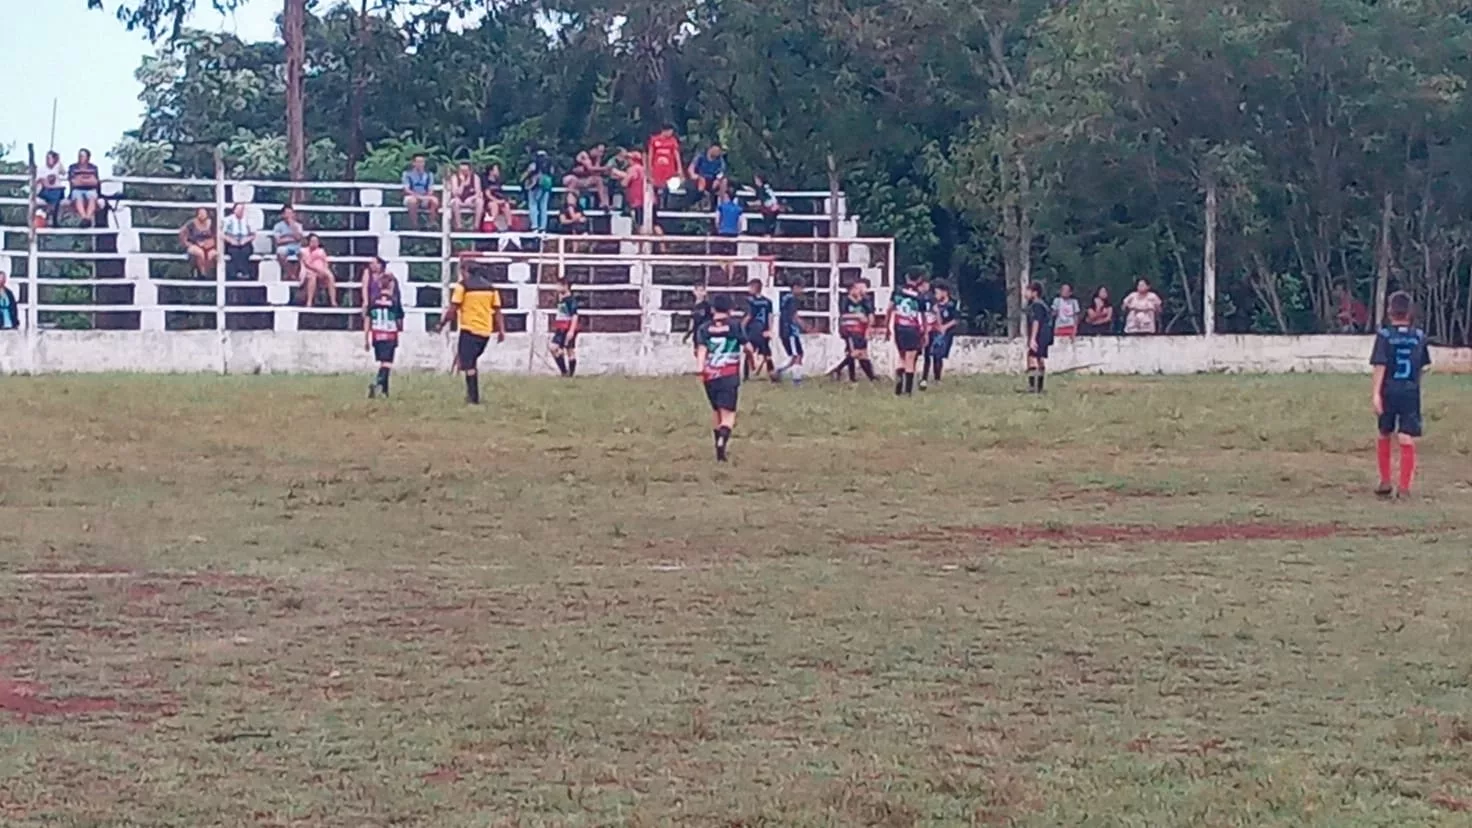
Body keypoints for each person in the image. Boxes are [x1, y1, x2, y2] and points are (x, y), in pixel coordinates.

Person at [1370, 291, 1432, 497]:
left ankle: (1385, 481)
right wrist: (1415, 387)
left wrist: (1376, 394)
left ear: (1390, 311)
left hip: (1389, 389)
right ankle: (1404, 487)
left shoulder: (1384, 336)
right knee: (1406, 436)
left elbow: (1380, 365)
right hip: (1410, 391)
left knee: (1384, 432)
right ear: (1409, 312)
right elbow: (1423, 366)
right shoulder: (1419, 336)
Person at [436, 257, 505, 404]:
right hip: (485, 331)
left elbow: (453, 309)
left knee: (468, 364)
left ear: (465, 271)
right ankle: (472, 396)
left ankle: (473, 397)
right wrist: (501, 330)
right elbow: (497, 311)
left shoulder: (463, 287)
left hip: (469, 329)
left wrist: (442, 323)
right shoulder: (491, 288)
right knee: (469, 362)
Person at [695, 293, 745, 462]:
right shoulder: (735, 326)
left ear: (712, 309)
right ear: (730, 310)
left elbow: (702, 350)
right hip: (728, 374)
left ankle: (719, 449)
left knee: (717, 411)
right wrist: (753, 360)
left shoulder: (704, 328)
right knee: (728, 415)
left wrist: (700, 370)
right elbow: (747, 346)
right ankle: (722, 440)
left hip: (710, 376)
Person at [362, 257, 403, 398]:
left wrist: (366, 338)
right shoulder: (393, 301)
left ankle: (385, 392)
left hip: (376, 334)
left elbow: (368, 318)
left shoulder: (374, 300)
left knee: (383, 362)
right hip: (389, 334)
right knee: (387, 363)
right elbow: (399, 319)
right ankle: (377, 383)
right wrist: (399, 328)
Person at [888, 267, 927, 396]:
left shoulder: (897, 291)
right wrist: (925, 332)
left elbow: (889, 309)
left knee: (901, 357)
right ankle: (908, 390)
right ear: (919, 279)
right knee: (910, 359)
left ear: (907, 277)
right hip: (912, 328)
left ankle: (898, 388)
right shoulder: (920, 296)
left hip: (899, 327)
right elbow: (923, 317)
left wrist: (887, 326)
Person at [830, 279, 877, 382]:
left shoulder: (866, 300)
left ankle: (869, 377)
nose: (860, 290)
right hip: (850, 329)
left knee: (861, 354)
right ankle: (844, 372)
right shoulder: (845, 300)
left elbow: (870, 315)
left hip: (861, 329)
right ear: (851, 290)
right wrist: (857, 316)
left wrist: (869, 327)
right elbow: (843, 315)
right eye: (857, 288)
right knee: (856, 352)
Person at [924, 282, 960, 387]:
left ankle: (937, 378)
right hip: (933, 330)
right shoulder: (933, 303)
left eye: (937, 293)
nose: (936, 295)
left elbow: (956, 319)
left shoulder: (953, 304)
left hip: (945, 332)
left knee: (938, 355)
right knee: (928, 354)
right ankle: (924, 378)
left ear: (945, 292)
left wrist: (945, 327)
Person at [774, 278, 808, 385]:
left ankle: (779, 371)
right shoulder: (792, 299)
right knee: (797, 355)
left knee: (798, 354)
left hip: (786, 331)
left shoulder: (785, 298)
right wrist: (805, 326)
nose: (802, 291)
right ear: (795, 287)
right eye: (801, 288)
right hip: (790, 332)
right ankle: (796, 379)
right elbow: (794, 316)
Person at [742, 278, 776, 381]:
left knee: (749, 351)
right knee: (766, 353)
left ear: (755, 288)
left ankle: (746, 375)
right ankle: (772, 374)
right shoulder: (768, 301)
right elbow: (770, 316)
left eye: (750, 287)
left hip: (753, 329)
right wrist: (770, 330)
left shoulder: (750, 301)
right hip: (764, 330)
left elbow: (749, 315)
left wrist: (742, 326)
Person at [1025, 281, 1053, 393]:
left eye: (1028, 291)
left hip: (1040, 335)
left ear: (1035, 293)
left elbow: (1036, 322)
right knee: (1039, 358)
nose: (1025, 293)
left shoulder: (1036, 305)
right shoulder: (1043, 305)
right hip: (1045, 335)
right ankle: (1039, 387)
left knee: (1032, 357)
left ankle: (1034, 386)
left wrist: (1032, 339)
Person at [647, 125, 683, 209]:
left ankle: (666, 205)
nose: (671, 133)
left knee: (667, 186)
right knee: (655, 186)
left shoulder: (673, 141)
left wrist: (679, 168)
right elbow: (650, 154)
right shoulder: (654, 140)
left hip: (669, 168)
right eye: (670, 131)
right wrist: (649, 167)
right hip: (657, 168)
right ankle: (656, 205)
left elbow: (676, 155)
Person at [550, 278, 580, 377]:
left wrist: (571, 330)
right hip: (561, 327)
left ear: (565, 286)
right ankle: (564, 371)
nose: (556, 288)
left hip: (567, 327)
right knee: (557, 348)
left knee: (569, 349)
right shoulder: (561, 299)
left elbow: (575, 315)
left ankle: (569, 374)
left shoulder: (571, 300)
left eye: (559, 285)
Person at [610, 151, 648, 229]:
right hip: (645, 201)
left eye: (628, 159)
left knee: (638, 225)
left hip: (636, 202)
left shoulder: (633, 169)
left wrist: (618, 176)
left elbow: (624, 183)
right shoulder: (643, 169)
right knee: (649, 224)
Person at [401, 154, 439, 230]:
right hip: (411, 196)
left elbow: (430, 189)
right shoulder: (407, 174)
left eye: (422, 162)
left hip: (425, 196)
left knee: (435, 200)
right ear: (413, 163)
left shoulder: (429, 174)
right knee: (412, 201)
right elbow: (407, 189)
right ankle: (414, 225)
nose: (420, 164)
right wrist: (417, 196)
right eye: (418, 162)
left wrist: (426, 196)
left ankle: (431, 223)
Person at [300, 234, 338, 308]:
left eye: (316, 241)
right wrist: (317, 270)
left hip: (322, 270)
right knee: (312, 277)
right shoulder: (304, 251)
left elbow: (325, 262)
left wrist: (324, 270)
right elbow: (307, 263)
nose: (314, 243)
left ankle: (333, 301)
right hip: (310, 270)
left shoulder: (321, 251)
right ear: (309, 242)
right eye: (313, 241)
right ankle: (309, 302)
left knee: (330, 276)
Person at [568, 143, 610, 209]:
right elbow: (590, 168)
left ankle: (604, 203)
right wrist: (605, 168)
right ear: (594, 149)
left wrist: (598, 159)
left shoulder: (596, 158)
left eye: (603, 152)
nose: (601, 154)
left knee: (599, 180)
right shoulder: (584, 154)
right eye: (600, 151)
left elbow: (596, 173)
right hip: (574, 179)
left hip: (586, 179)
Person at [523, 150, 556, 233]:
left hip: (534, 186)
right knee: (543, 207)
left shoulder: (534, 165)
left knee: (533, 205)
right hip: (546, 187)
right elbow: (552, 174)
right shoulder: (549, 165)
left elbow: (527, 174)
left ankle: (535, 226)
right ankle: (543, 227)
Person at [221, 202, 256, 281]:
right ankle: (237, 273)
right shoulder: (227, 220)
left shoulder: (248, 220)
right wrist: (231, 240)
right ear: (234, 210)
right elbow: (222, 234)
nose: (241, 211)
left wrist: (245, 240)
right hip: (231, 241)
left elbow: (253, 235)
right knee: (234, 252)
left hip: (245, 241)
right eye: (239, 209)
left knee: (245, 251)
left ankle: (243, 272)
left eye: (242, 209)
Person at [179, 208, 217, 277]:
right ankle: (202, 273)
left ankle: (209, 275)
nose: (202, 215)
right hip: (195, 244)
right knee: (199, 253)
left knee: (212, 254)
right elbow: (182, 232)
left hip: (209, 245)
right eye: (200, 213)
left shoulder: (212, 223)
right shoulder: (192, 223)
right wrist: (186, 243)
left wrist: (212, 242)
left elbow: (217, 235)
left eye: (203, 213)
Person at [68, 149, 101, 227]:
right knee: (77, 196)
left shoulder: (93, 168)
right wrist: (88, 180)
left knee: (92, 196)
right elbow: (74, 182)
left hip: (90, 189)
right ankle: (84, 218)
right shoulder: (73, 167)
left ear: (88, 157)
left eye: (82, 156)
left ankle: (87, 218)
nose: (80, 157)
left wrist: (81, 180)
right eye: (79, 155)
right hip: (77, 190)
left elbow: (95, 182)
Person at [687, 143, 727, 209]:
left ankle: (723, 204)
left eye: (718, 151)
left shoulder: (720, 160)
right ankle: (701, 199)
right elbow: (691, 168)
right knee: (701, 180)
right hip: (700, 178)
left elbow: (721, 172)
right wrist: (693, 175)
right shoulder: (700, 157)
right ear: (710, 149)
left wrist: (718, 179)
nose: (717, 153)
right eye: (715, 151)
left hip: (713, 179)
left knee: (724, 181)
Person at [447, 162, 483, 232]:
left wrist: (471, 198)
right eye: (461, 170)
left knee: (480, 202)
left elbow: (478, 192)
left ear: (470, 170)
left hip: (471, 201)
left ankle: (476, 226)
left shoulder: (475, 177)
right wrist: (462, 183)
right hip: (459, 200)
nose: (463, 172)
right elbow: (456, 194)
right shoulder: (455, 177)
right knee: (455, 202)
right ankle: (459, 226)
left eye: (465, 171)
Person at [272, 206, 306, 280]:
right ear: (283, 215)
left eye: (291, 213)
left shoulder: (298, 225)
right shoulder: (278, 226)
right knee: (280, 253)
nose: (289, 215)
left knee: (303, 254)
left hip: (297, 247)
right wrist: (292, 239)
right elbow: (278, 241)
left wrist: (292, 226)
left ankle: (300, 274)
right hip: (285, 247)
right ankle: (290, 274)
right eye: (287, 213)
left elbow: (299, 238)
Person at [36, 151, 67, 226]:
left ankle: (50, 214)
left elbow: (64, 173)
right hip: (45, 190)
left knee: (58, 194)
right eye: (47, 158)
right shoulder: (41, 169)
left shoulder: (57, 167)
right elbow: (44, 184)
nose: (48, 160)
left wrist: (59, 162)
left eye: (50, 158)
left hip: (56, 190)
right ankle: (52, 217)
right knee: (56, 196)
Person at [684, 283, 713, 354]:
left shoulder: (707, 306)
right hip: (696, 334)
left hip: (705, 333)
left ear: (705, 292)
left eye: (702, 290)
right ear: (694, 292)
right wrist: (688, 334)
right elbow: (692, 321)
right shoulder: (693, 306)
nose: (699, 293)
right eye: (698, 290)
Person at [481, 163, 510, 230]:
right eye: (496, 169)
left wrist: (503, 200)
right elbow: (488, 195)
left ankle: (509, 226)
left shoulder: (498, 181)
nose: (498, 171)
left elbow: (501, 193)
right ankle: (494, 225)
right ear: (491, 171)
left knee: (506, 206)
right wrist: (497, 201)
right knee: (494, 205)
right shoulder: (485, 181)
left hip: (499, 200)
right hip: (489, 201)